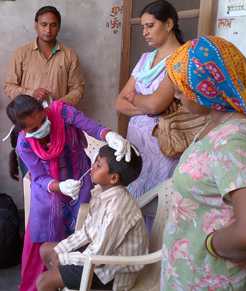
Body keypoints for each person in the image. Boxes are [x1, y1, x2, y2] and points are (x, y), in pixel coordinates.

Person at [6, 95, 132, 291]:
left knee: (78, 226)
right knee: (49, 235)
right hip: (49, 194)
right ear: (23, 130)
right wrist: (59, 186)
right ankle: (61, 274)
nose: (42, 127)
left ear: (44, 109)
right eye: (34, 128)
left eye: (42, 120)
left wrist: (108, 135)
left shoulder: (63, 113)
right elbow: (38, 178)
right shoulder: (24, 144)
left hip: (79, 184)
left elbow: (91, 127)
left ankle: (65, 275)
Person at [158, 35, 246, 290]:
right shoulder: (216, 124)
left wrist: (210, 244)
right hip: (189, 276)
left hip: (213, 279)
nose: (176, 95)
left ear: (207, 88)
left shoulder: (234, 140)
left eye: (182, 88)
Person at [36, 144, 148, 291]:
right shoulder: (101, 193)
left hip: (111, 273)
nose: (92, 167)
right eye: (96, 161)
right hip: (100, 256)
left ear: (113, 178)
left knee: (44, 282)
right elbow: (88, 231)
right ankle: (63, 281)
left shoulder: (117, 210)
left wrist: (63, 258)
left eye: (99, 165)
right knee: (46, 249)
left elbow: (98, 255)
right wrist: (60, 251)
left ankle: (60, 281)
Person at [115, 0, 184, 228]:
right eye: (143, 26)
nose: (144, 32)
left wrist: (136, 100)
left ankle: (153, 261)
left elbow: (155, 105)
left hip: (162, 142)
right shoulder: (145, 59)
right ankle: (136, 258)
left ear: (169, 24)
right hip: (137, 143)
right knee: (134, 198)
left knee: (158, 205)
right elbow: (119, 103)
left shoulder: (180, 59)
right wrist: (147, 105)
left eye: (150, 25)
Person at [4, 5, 85, 106]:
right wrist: (32, 94)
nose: (48, 30)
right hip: (28, 117)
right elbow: (9, 86)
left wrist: (59, 104)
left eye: (53, 25)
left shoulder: (70, 55)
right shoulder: (21, 53)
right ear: (36, 25)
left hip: (59, 116)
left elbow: (78, 88)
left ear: (59, 27)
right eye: (44, 24)